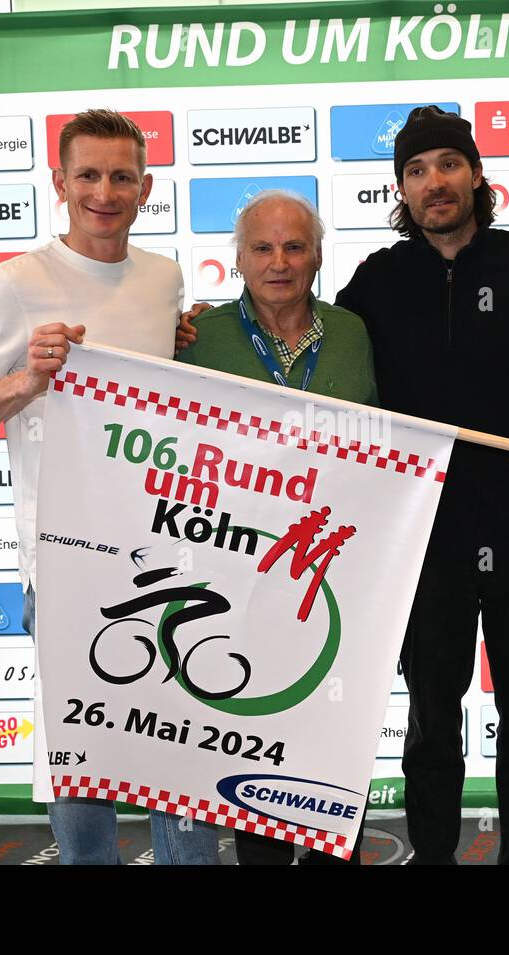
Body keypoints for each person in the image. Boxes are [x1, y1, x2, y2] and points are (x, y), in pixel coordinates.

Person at [178, 106, 509, 864]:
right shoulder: (377, 284)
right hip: (424, 542)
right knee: (431, 718)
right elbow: (303, 332)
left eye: (448, 165)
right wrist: (200, 328)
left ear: (476, 174)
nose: (435, 182)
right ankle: (434, 858)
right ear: (401, 187)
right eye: (418, 170)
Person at [0, 108, 220, 865]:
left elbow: (157, 373)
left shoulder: (161, 277)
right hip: (65, 560)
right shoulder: (16, 283)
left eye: (122, 175)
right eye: (87, 174)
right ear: (59, 183)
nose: (105, 191)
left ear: (146, 187)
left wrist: (188, 337)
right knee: (82, 752)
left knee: (176, 748)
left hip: (166, 550)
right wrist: (29, 378)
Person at [177, 189, 376, 864]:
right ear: (237, 258)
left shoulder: (352, 333)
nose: (280, 262)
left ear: (318, 254)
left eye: (295, 246)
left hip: (338, 585)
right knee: (256, 756)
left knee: (333, 761)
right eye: (263, 247)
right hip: (241, 585)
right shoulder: (197, 339)